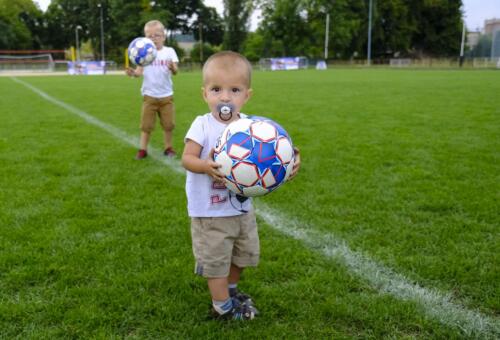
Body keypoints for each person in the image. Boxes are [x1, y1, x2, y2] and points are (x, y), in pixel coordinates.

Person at [181, 51, 301, 320]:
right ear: (205, 94)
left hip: (241, 211)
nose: (225, 97)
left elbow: (277, 150)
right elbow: (187, 158)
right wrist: (204, 166)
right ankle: (223, 307)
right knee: (216, 263)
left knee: (243, 255)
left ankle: (231, 291)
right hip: (210, 214)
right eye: (216, 89)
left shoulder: (252, 127)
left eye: (234, 89)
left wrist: (290, 161)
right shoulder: (202, 125)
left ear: (246, 95)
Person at [126, 20, 179, 160]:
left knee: (168, 125)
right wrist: (132, 73)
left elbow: (176, 71)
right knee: (146, 126)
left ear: (163, 36)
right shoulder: (143, 54)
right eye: (150, 36)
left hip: (167, 96)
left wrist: (172, 67)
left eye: (157, 35)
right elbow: (139, 72)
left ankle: (168, 148)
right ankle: (142, 149)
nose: (154, 38)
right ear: (145, 38)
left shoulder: (169, 51)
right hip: (149, 96)